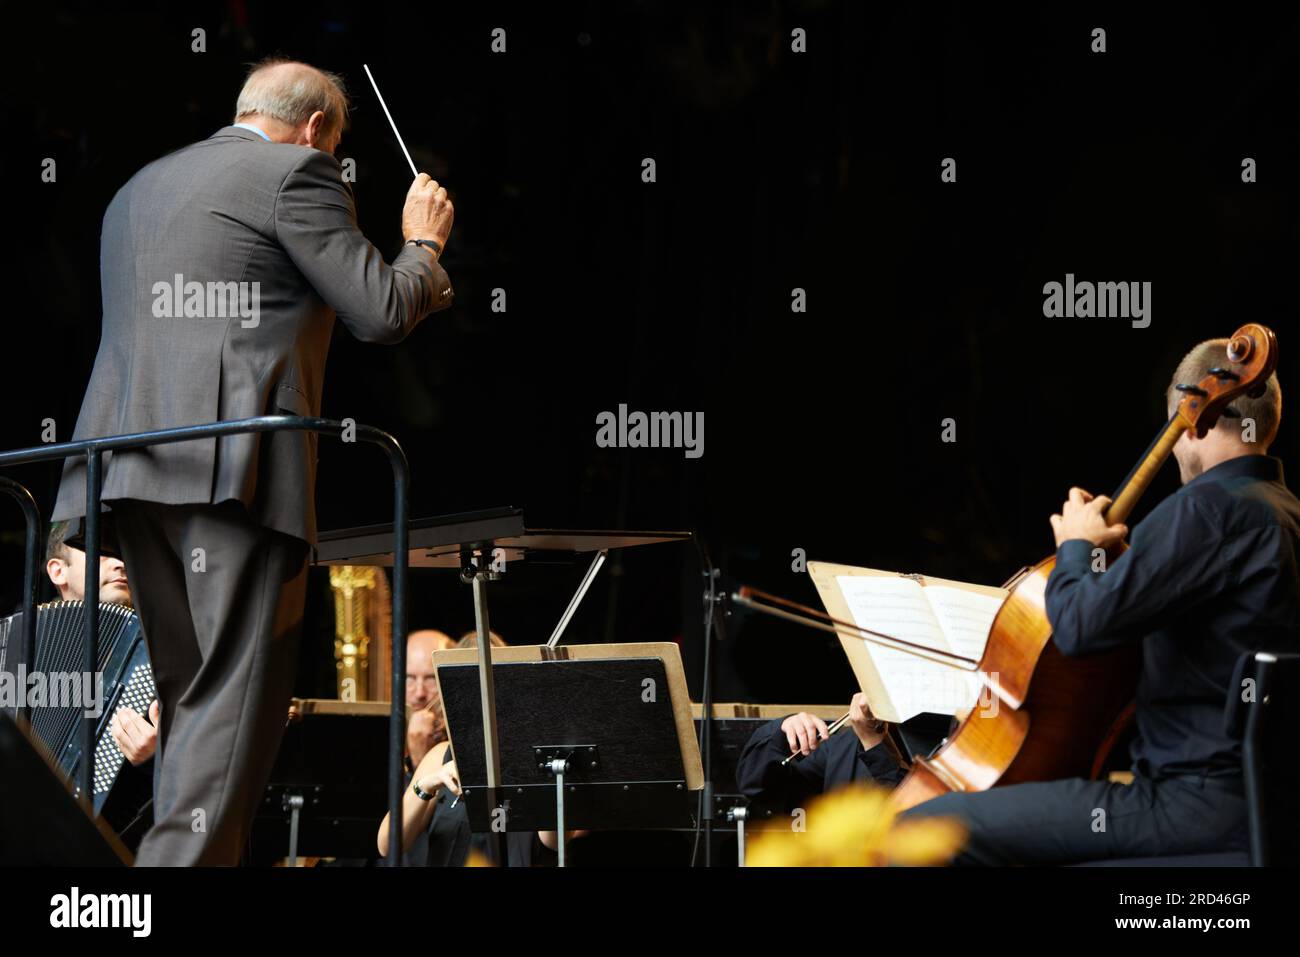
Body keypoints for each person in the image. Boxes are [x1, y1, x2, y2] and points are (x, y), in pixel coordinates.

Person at [50, 58, 456, 865]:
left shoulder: (140, 186)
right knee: (229, 716)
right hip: (233, 479)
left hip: (124, 474)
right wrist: (421, 242)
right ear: (314, 132)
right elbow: (379, 308)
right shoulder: (296, 171)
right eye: (334, 144)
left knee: (192, 707)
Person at [903, 339, 1300, 865]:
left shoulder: (1203, 512)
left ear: (1193, 415)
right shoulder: (1283, 513)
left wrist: (1075, 550)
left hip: (1184, 807)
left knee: (924, 827)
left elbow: (1079, 628)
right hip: (1263, 802)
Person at [736, 693, 905, 813]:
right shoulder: (839, 745)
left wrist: (874, 744)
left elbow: (913, 825)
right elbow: (759, 790)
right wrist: (781, 733)